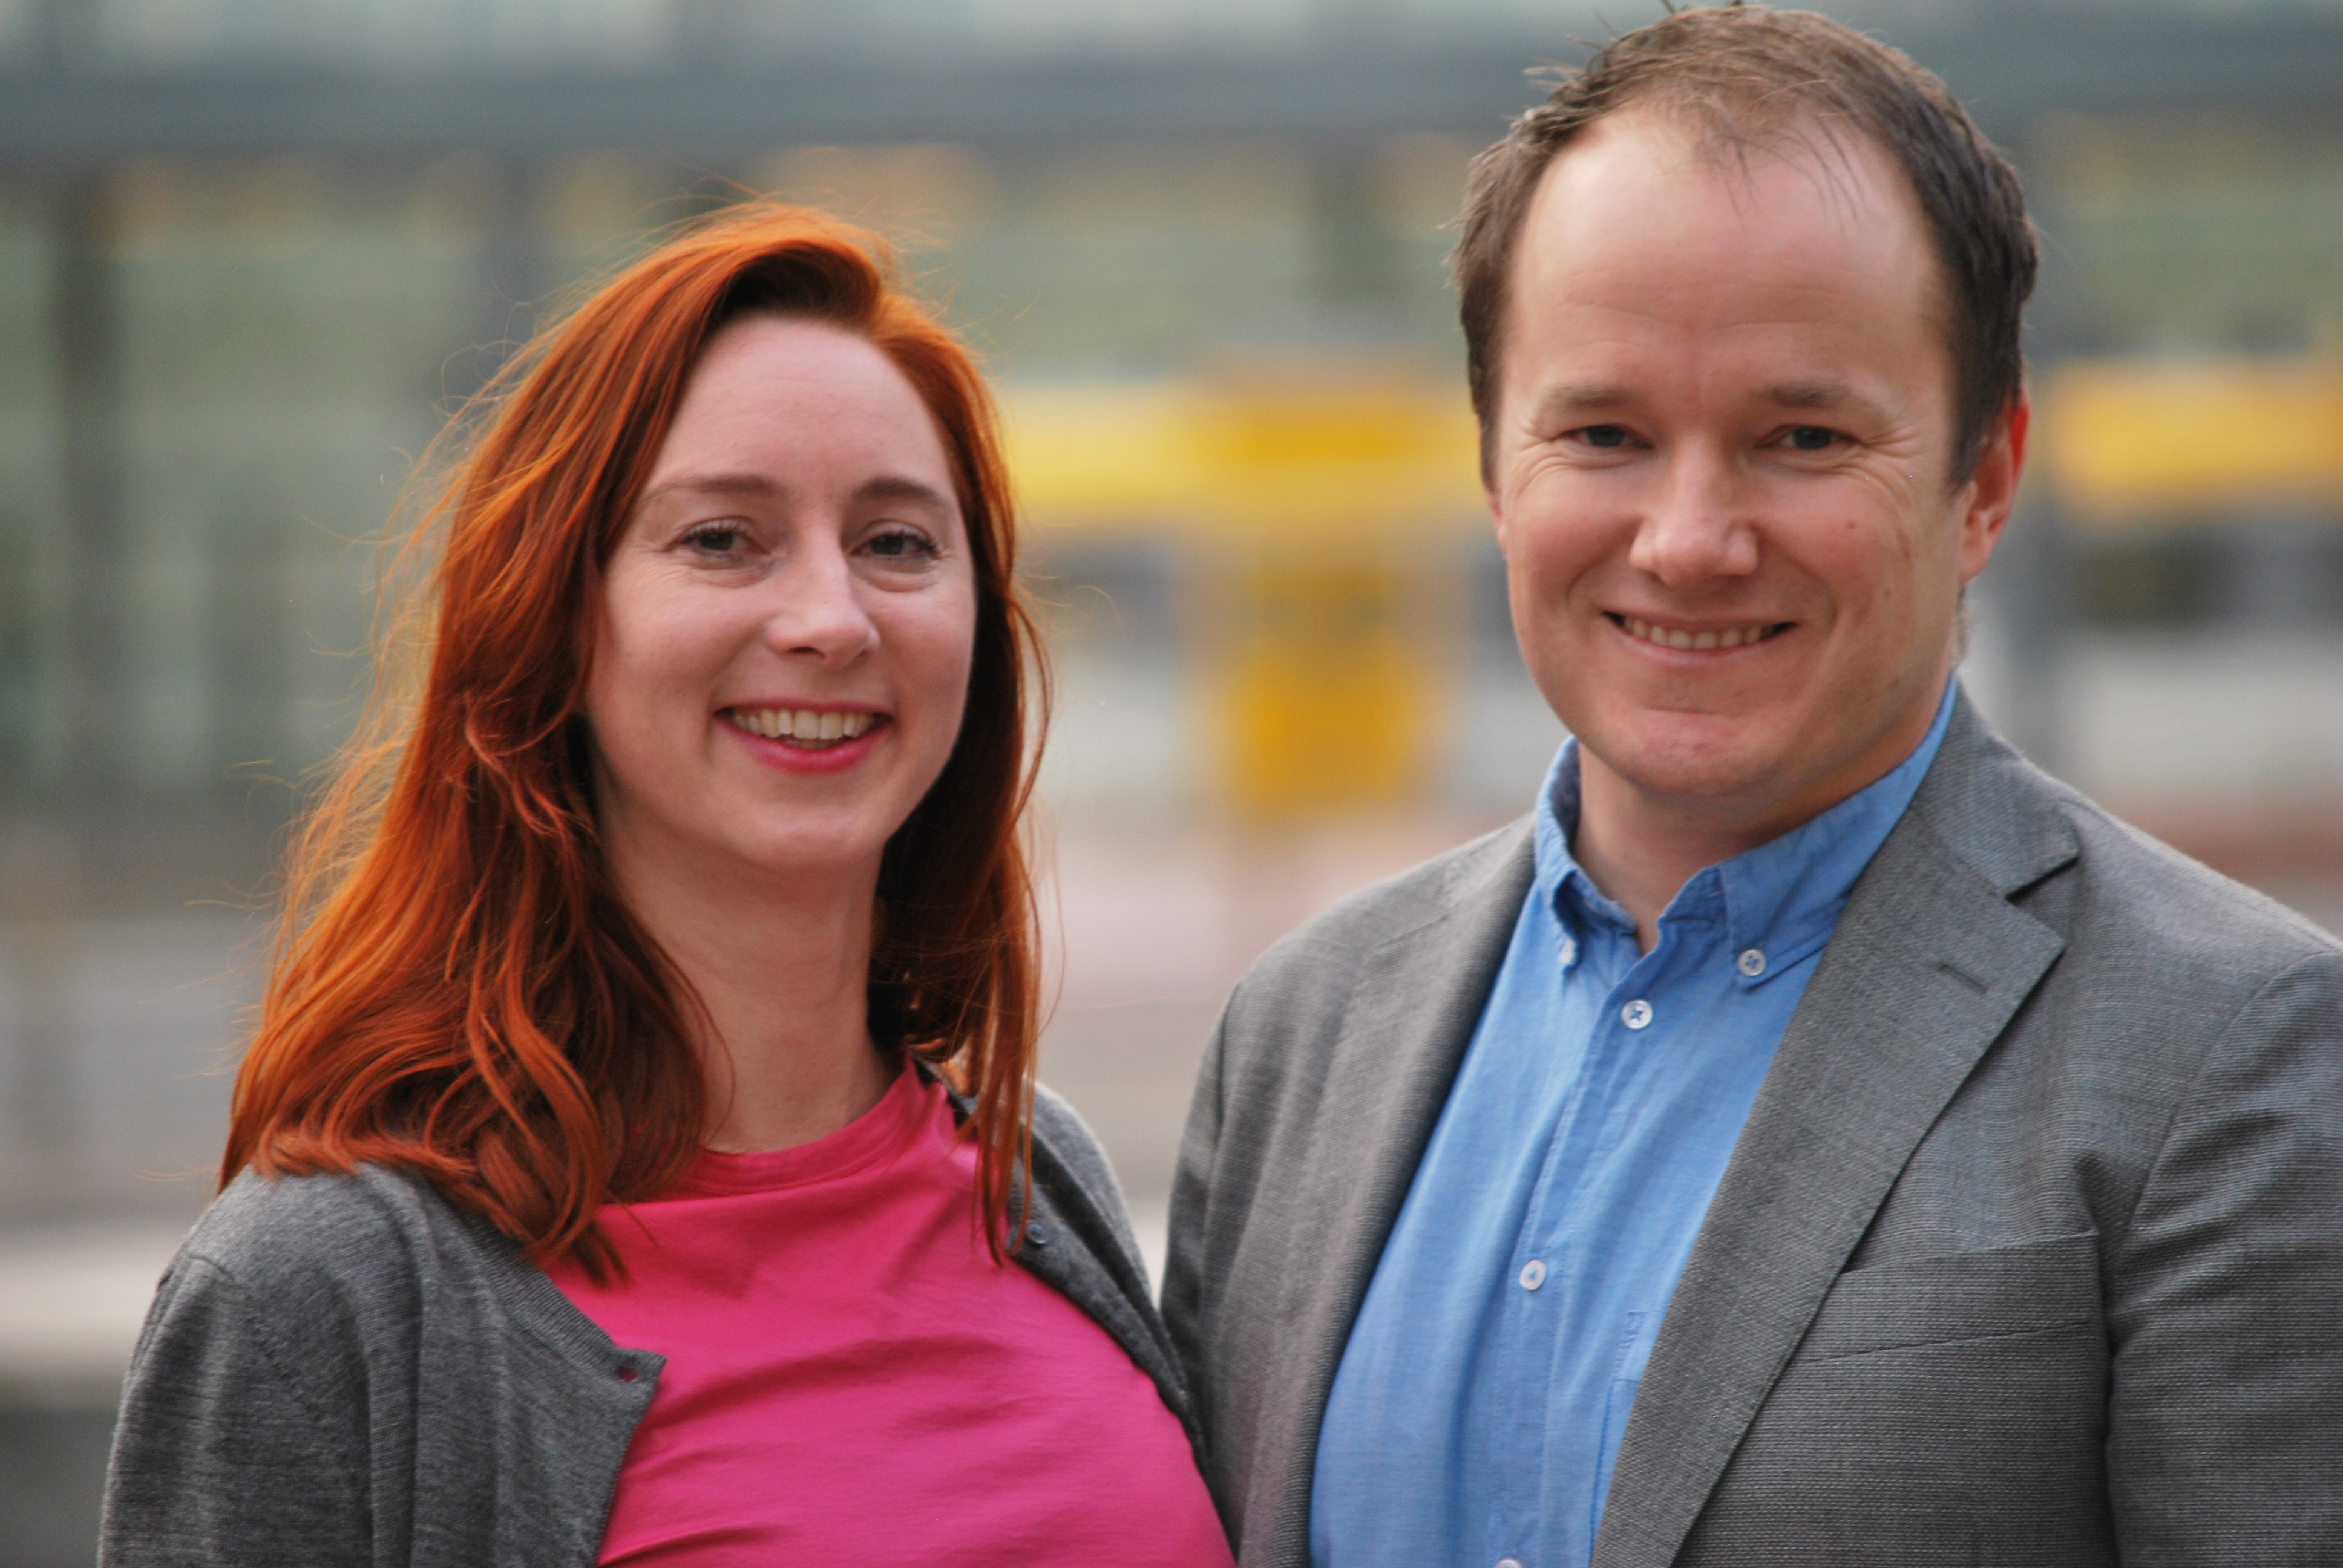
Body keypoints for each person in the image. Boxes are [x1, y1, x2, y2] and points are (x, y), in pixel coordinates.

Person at [1162, 8, 2343, 1567]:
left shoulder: (2233, 1057)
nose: (1688, 540)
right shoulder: (1300, 1036)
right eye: (1603, 432)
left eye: (1801, 436)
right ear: (1492, 468)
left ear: (1985, 480)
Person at [100, 203, 1235, 1567]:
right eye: (721, 539)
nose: (830, 619)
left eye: (896, 542)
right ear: (557, 617)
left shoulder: (1039, 1176)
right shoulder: (321, 1292)